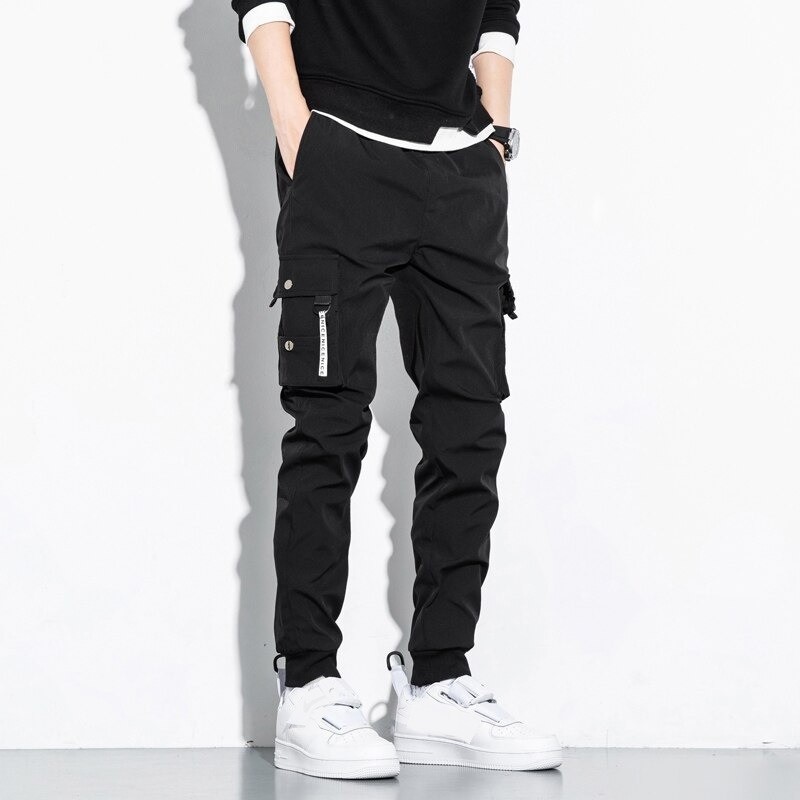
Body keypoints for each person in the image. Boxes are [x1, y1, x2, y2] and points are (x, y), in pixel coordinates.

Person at [230, 0, 562, 779]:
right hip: (338, 149)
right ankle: (308, 682)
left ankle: (440, 678)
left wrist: (496, 133)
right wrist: (295, 127)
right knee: (328, 426)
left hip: (463, 165)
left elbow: (498, 10)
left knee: (470, 429)